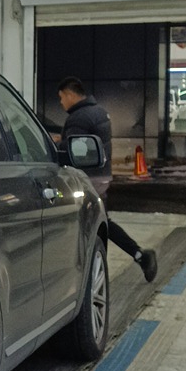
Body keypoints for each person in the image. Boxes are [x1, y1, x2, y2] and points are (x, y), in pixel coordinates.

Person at [57, 76, 158, 283]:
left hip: (87, 179)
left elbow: (73, 150)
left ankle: (87, 272)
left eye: (61, 98)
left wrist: (56, 145)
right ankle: (140, 256)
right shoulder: (99, 112)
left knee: (85, 226)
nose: (61, 102)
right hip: (102, 175)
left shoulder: (78, 118)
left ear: (70, 94)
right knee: (102, 222)